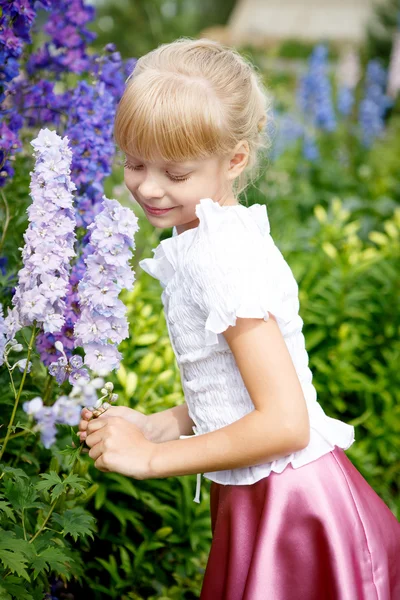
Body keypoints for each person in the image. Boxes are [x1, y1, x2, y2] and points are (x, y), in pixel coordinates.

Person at [78, 37, 400, 599]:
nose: (148, 187)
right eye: (133, 162)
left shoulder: (221, 258)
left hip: (294, 506)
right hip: (267, 493)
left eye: (174, 174)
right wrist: (163, 422)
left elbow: (285, 423)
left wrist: (156, 456)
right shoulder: (209, 235)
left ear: (234, 159)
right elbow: (240, 391)